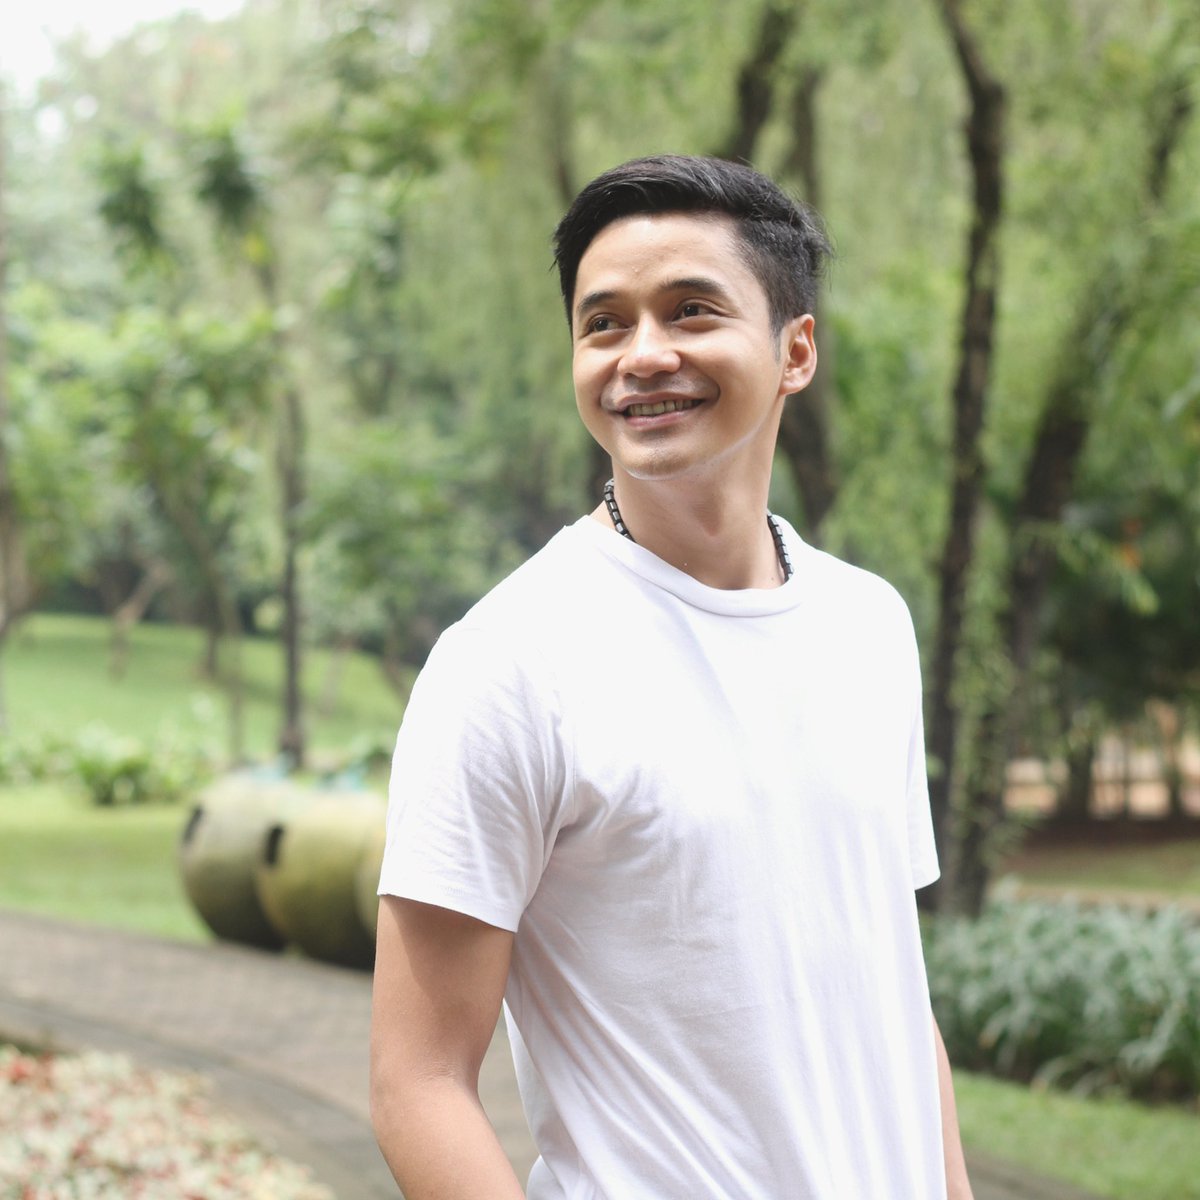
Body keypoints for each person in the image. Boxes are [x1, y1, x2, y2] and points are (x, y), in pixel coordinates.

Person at [370, 154, 974, 1199]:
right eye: (604, 324)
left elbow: (891, 996)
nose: (643, 355)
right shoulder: (508, 663)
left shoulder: (869, 623)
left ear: (794, 351)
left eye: (692, 310)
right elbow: (416, 1084)